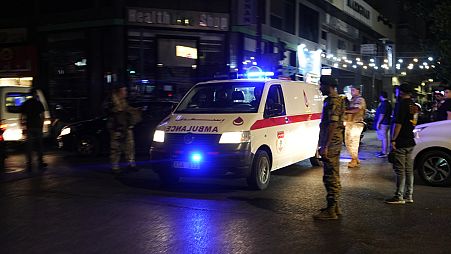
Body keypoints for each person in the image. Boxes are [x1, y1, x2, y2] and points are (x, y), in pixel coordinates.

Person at [313, 76, 345, 220]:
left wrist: (325, 145)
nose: (320, 87)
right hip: (333, 142)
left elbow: (332, 125)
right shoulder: (334, 100)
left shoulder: (333, 102)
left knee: (330, 176)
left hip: (331, 143)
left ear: (329, 86)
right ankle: (335, 207)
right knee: (333, 174)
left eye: (321, 85)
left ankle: (331, 210)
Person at [385, 83, 416, 204]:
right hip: (410, 140)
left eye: (398, 91)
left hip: (401, 141)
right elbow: (414, 121)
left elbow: (398, 124)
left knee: (400, 170)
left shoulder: (401, 105)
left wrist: (393, 139)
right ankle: (409, 195)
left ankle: (399, 196)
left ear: (401, 92)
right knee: (409, 170)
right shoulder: (413, 104)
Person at [107, 86, 141, 174]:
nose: (126, 92)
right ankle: (114, 167)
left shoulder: (123, 102)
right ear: (119, 92)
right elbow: (115, 114)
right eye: (124, 90)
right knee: (116, 148)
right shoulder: (113, 102)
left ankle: (130, 164)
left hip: (125, 127)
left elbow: (127, 111)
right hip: (117, 128)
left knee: (129, 147)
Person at [20, 88, 46, 171]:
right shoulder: (39, 103)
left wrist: (22, 126)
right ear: (35, 94)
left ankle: (29, 164)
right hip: (37, 126)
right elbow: (43, 115)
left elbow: (22, 115)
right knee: (39, 145)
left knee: (29, 147)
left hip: (29, 127)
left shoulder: (26, 103)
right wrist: (41, 125)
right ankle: (40, 162)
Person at [344, 86, 366, 168]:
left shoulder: (360, 99)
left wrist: (345, 111)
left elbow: (357, 109)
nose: (351, 92)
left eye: (353, 90)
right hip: (351, 123)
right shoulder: (353, 100)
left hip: (356, 123)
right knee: (348, 142)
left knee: (353, 142)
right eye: (351, 90)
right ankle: (355, 159)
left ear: (358, 91)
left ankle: (354, 159)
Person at [374, 91, 392, 158]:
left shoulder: (384, 104)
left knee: (384, 138)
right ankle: (383, 151)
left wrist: (378, 123)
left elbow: (382, 114)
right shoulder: (388, 103)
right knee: (384, 137)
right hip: (387, 122)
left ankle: (384, 152)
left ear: (381, 96)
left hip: (383, 123)